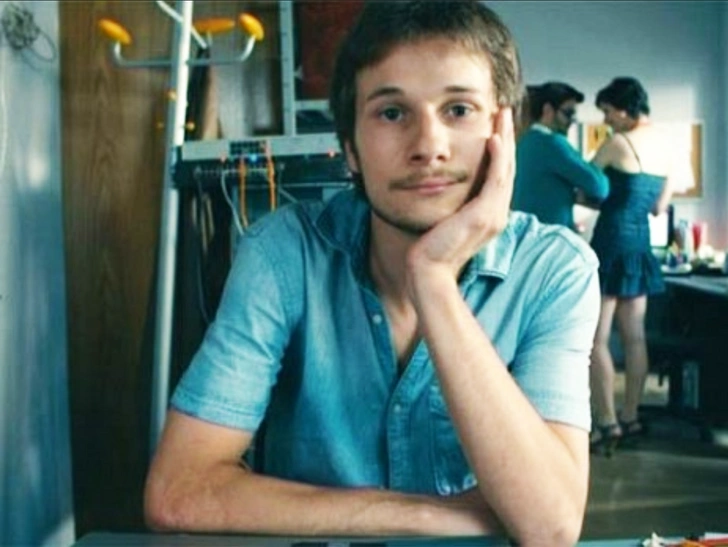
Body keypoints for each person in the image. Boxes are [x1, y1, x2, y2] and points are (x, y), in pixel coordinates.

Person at [144, 2, 601, 545]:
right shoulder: (283, 252)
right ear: (351, 150)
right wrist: (432, 516)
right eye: (391, 113)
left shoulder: (555, 271)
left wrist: (433, 280)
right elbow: (179, 492)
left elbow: (550, 526)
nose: (428, 147)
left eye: (458, 109)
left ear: (501, 129)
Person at [587, 77, 675, 452]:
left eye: (608, 112)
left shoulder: (617, 143)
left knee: (595, 340)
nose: (606, 120)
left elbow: (587, 185)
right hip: (640, 245)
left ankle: (607, 422)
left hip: (611, 242)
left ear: (624, 111)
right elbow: (659, 207)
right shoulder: (667, 148)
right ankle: (631, 415)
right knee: (635, 337)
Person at [511, 81, 609, 231]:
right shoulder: (552, 143)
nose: (571, 121)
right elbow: (599, 186)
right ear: (548, 110)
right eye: (568, 113)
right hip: (550, 235)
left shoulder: (522, 141)